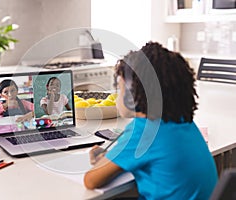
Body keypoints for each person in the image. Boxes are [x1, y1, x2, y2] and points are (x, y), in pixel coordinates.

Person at [84, 42, 218, 199]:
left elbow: (91, 180)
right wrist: (110, 158)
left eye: (119, 87)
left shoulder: (145, 131)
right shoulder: (182, 119)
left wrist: (103, 163)